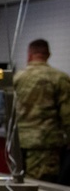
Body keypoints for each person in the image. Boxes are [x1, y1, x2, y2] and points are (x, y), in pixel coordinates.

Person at [13, 38, 70, 183]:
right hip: (45, 143)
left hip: (19, 141)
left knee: (18, 183)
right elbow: (67, 114)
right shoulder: (59, 78)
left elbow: (7, 108)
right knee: (41, 186)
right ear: (48, 54)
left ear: (29, 54)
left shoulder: (18, 77)